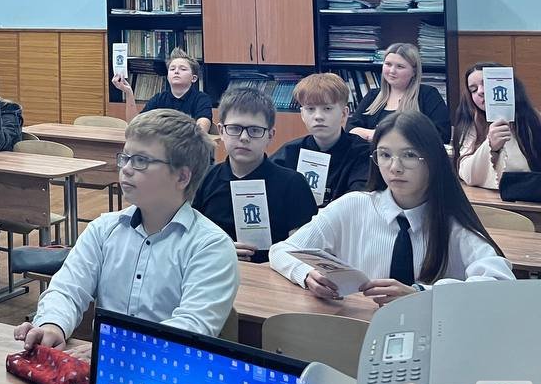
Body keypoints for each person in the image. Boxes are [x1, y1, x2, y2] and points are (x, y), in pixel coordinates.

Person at [14, 109, 239, 348]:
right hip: (104, 362)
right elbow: (67, 289)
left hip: (164, 369)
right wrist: (52, 325)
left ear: (182, 177)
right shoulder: (103, 229)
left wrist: (114, 350)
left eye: (141, 161)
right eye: (125, 157)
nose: (126, 169)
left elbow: (190, 327)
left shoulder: (211, 246)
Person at [270, 111, 513, 307]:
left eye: (409, 155)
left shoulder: (449, 220)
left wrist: (422, 295)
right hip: (357, 329)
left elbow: (501, 283)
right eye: (385, 155)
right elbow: (282, 250)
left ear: (432, 159)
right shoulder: (352, 205)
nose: (395, 167)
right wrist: (305, 274)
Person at [192, 89, 317, 264]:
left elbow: (303, 253)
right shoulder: (203, 179)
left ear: (270, 136)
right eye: (235, 128)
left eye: (255, 130)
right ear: (221, 131)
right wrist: (218, 250)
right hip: (212, 268)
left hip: (273, 274)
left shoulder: (293, 183)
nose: (244, 137)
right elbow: (189, 237)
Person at [271, 73, 371, 205]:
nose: (318, 116)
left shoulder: (363, 153)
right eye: (310, 109)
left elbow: (359, 201)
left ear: (344, 114)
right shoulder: (289, 152)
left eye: (327, 108)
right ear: (302, 114)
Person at [455, 62, 541, 189]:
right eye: (473, 90)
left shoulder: (533, 119)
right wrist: (491, 146)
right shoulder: (471, 125)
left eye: (486, 84)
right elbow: (467, 174)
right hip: (488, 197)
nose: (480, 91)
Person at [349, 43, 450, 143]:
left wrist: (377, 135)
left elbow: (442, 134)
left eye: (400, 66)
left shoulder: (428, 95)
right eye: (388, 64)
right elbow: (350, 129)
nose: (392, 71)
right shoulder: (372, 95)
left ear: (414, 71)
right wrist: (374, 134)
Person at [113, 47, 213, 133]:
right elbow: (134, 126)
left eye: (183, 69)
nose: (176, 71)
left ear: (194, 78)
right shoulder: (159, 98)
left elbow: (202, 130)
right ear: (168, 77)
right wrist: (128, 92)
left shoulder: (201, 99)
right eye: (172, 69)